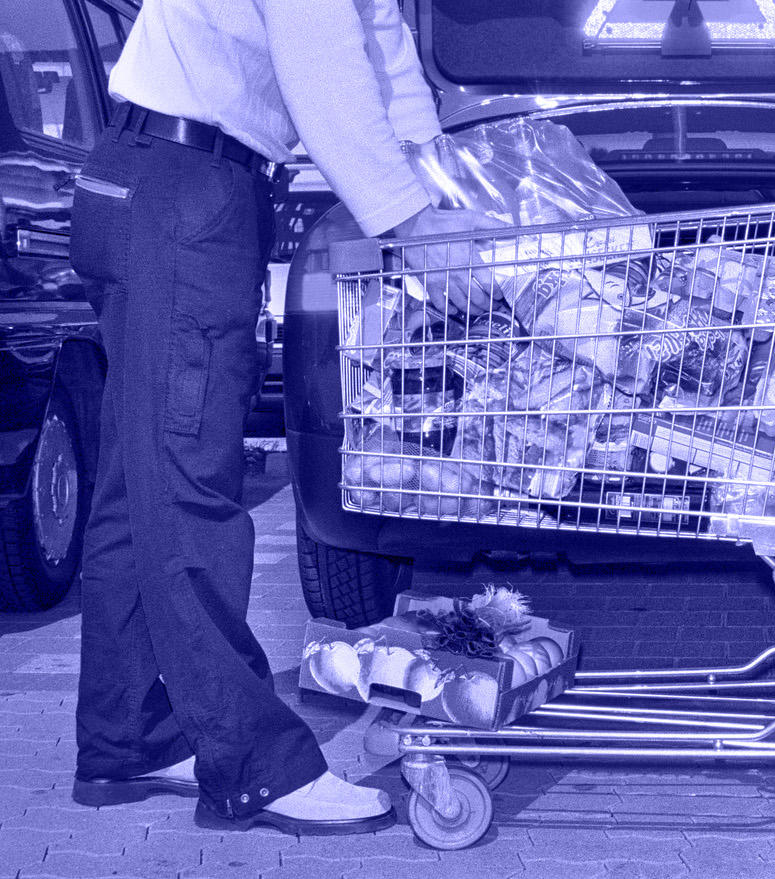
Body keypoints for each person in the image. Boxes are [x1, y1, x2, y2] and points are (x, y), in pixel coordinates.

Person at [69, 0, 493, 834]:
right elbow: (323, 67)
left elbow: (380, 46)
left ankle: (126, 738)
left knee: (140, 483)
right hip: (186, 192)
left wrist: (439, 172)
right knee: (188, 485)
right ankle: (256, 766)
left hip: (154, 176)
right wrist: (411, 222)